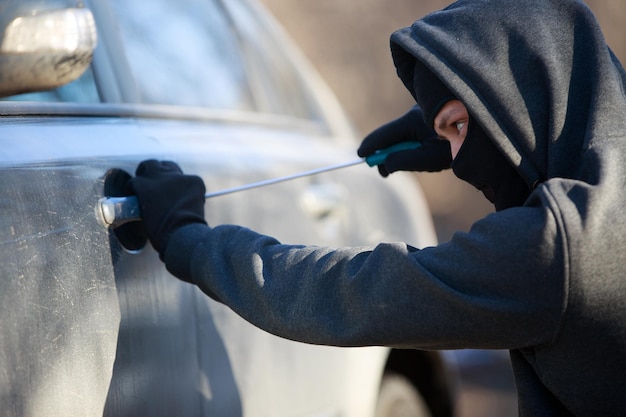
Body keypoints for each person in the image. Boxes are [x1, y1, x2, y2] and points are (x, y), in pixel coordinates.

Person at [128, 0, 626, 415]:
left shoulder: (559, 246)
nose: (457, 161)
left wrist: (192, 240)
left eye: (457, 127)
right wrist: (457, 127)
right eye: (443, 134)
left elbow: (351, 293)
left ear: (525, 100)